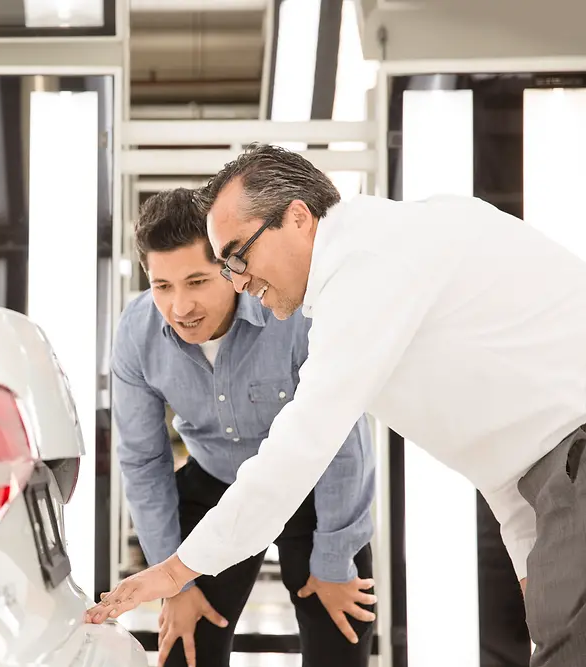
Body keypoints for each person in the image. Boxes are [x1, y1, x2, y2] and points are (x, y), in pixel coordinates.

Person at [87, 144, 586, 667]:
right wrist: (528, 550)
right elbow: (503, 454)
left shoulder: (369, 266)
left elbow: (308, 445)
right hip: (552, 474)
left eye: (237, 256)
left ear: (298, 218)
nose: (238, 280)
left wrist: (174, 570)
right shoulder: (364, 269)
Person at [113, 188, 376, 667]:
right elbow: (142, 460)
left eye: (196, 281)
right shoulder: (136, 332)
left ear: (230, 266)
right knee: (183, 651)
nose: (180, 307)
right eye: (163, 286)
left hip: (313, 489)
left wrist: (335, 558)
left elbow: (342, 440)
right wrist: (177, 582)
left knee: (343, 636)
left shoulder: (293, 314)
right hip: (214, 481)